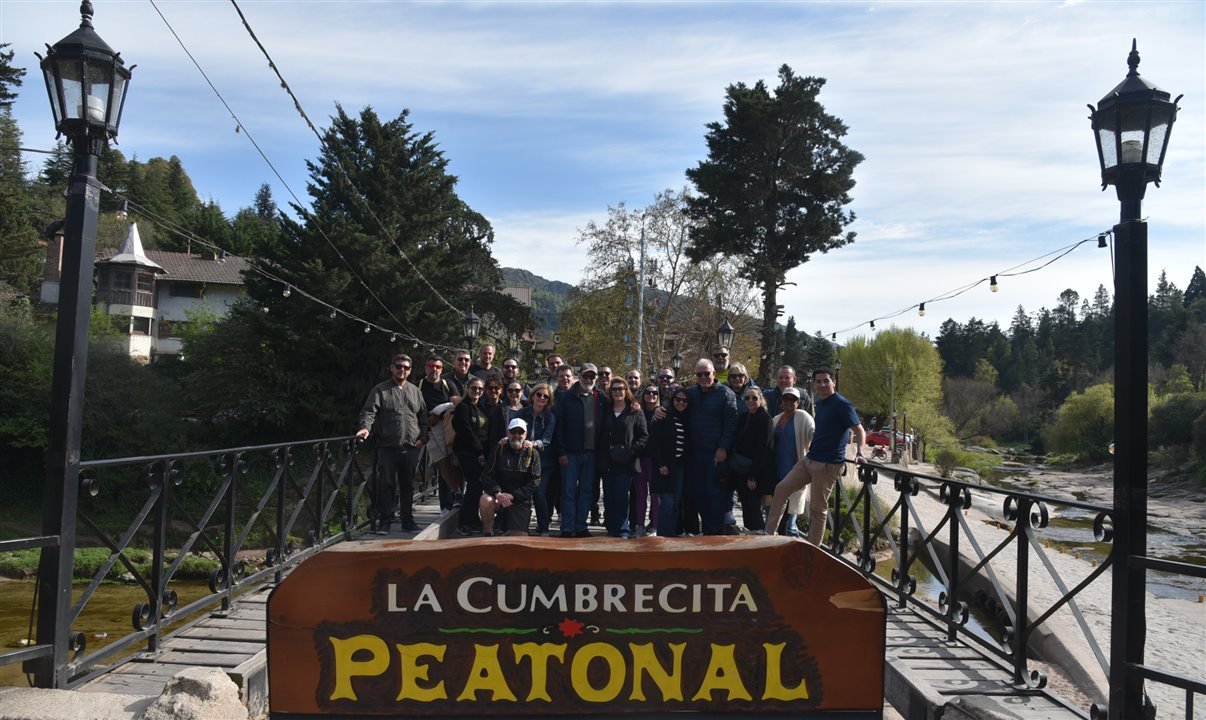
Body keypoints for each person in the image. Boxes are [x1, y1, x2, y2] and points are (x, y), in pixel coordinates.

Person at [766, 369, 867, 545]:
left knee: (817, 508)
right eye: (818, 382)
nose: (822, 385)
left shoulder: (842, 404)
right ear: (814, 384)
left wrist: (859, 452)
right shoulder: (820, 403)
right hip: (810, 459)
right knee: (781, 489)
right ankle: (768, 535)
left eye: (825, 381)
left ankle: (814, 549)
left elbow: (859, 430)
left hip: (828, 463)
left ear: (833, 382)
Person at [656, 359, 737, 535]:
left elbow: (731, 425)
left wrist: (723, 448)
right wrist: (659, 409)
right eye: (699, 374)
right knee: (697, 496)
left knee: (714, 497)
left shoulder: (726, 394)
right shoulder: (691, 392)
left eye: (706, 373)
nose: (703, 377)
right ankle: (700, 533)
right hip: (692, 454)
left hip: (715, 454)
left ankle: (713, 535)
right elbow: (676, 405)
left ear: (714, 374)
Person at [356, 354, 427, 534]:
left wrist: (423, 437)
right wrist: (365, 428)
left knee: (408, 486)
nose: (401, 369)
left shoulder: (415, 391)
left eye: (405, 367)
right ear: (392, 368)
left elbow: (423, 417)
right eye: (398, 366)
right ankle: (385, 521)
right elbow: (369, 411)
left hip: (411, 446)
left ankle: (407, 521)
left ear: (410, 371)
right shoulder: (380, 390)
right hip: (387, 446)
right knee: (386, 485)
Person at [554, 363, 604, 537]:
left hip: (591, 453)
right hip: (570, 453)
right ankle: (567, 527)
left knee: (586, 492)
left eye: (592, 377)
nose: (588, 380)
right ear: (579, 376)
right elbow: (558, 427)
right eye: (585, 376)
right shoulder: (567, 397)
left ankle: (581, 526)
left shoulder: (600, 397)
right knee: (568, 491)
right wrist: (561, 452)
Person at [453, 377, 503, 535]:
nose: (477, 391)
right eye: (474, 388)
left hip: (478, 452)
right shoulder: (463, 407)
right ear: (467, 388)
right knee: (474, 486)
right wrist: (479, 451)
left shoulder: (478, 406)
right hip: (468, 452)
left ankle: (473, 520)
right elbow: (466, 431)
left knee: (477, 486)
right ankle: (464, 522)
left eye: (480, 389)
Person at [599, 378, 648, 538]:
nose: (618, 392)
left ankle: (623, 530)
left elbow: (643, 437)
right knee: (608, 497)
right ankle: (611, 529)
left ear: (626, 390)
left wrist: (630, 452)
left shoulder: (634, 411)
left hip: (626, 462)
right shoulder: (605, 409)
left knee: (621, 497)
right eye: (614, 389)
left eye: (621, 388)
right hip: (607, 460)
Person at [414, 355, 463, 510]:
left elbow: (456, 403)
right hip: (429, 430)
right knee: (442, 462)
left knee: (454, 462)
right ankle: (454, 494)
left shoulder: (448, 384)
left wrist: (437, 412)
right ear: (425, 368)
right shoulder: (419, 385)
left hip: (447, 425)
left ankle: (458, 494)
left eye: (437, 367)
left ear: (441, 369)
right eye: (431, 366)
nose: (434, 369)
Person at [479, 418, 541, 536]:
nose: (516, 435)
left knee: (519, 537)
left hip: (519, 499)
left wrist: (513, 496)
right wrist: (498, 493)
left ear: (526, 434)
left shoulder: (533, 453)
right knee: (485, 500)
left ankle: (507, 528)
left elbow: (534, 482)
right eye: (513, 432)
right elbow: (486, 476)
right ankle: (488, 532)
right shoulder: (498, 449)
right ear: (507, 433)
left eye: (520, 432)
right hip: (499, 496)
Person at [771, 386, 814, 537]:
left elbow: (814, 434)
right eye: (786, 399)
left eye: (793, 399)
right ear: (781, 401)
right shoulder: (776, 419)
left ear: (798, 402)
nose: (789, 402)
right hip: (776, 473)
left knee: (788, 520)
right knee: (776, 514)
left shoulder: (803, 417)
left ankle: (790, 552)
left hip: (795, 474)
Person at [730, 386, 774, 533]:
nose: (750, 401)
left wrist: (753, 475)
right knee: (745, 504)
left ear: (760, 399)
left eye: (754, 398)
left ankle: (759, 534)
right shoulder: (743, 417)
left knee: (754, 506)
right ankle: (750, 534)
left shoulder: (765, 419)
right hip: (741, 468)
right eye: (747, 398)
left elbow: (763, 449)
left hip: (756, 470)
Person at [651, 387, 690, 537]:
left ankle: (671, 534)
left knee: (675, 503)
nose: (681, 403)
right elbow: (655, 442)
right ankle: (663, 534)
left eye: (684, 400)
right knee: (666, 502)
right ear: (672, 400)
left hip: (679, 466)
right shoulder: (663, 416)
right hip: (664, 467)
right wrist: (661, 464)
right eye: (678, 399)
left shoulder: (686, 418)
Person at [520, 382, 557, 536]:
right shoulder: (522, 413)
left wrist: (533, 443)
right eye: (539, 394)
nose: (542, 398)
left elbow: (547, 440)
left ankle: (543, 528)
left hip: (544, 462)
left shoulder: (550, 417)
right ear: (533, 395)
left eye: (545, 396)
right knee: (523, 494)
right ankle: (520, 526)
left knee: (539, 493)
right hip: (523, 460)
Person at [634, 384, 662, 535]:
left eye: (655, 393)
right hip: (640, 459)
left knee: (656, 495)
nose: (651, 395)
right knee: (640, 494)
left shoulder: (662, 413)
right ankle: (639, 525)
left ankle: (656, 526)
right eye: (648, 392)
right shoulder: (638, 413)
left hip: (656, 460)